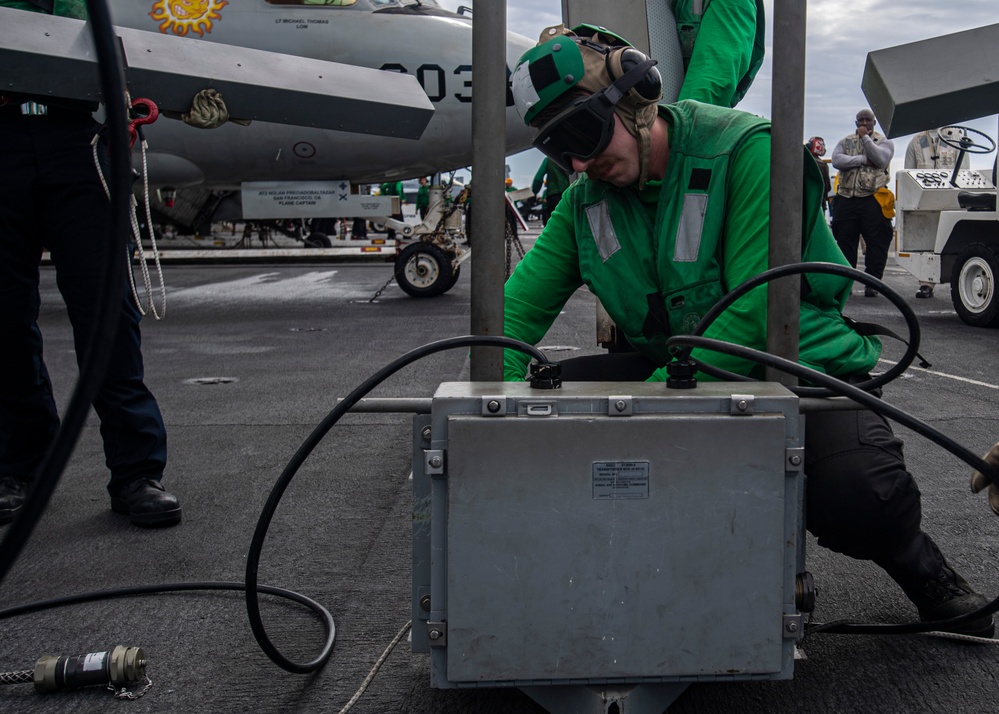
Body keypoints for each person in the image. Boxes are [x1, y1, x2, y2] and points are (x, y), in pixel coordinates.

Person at [505, 24, 993, 637]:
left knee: (860, 496)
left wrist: (643, 411)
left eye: (582, 134)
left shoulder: (747, 151)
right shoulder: (585, 200)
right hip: (676, 372)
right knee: (534, 415)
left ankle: (925, 571)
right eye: (558, 149)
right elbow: (512, 318)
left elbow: (758, 306)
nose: (578, 162)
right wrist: (480, 428)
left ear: (635, 99)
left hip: (789, 367)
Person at [0, 1, 182, 527]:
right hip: (3, 134)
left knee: (106, 314)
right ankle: (20, 466)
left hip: (76, 135)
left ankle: (135, 473)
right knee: (5, 317)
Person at [831, 108, 895, 297]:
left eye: (868, 120)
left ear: (874, 122)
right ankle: (845, 283)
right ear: (856, 123)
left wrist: (866, 139)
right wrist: (862, 160)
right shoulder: (845, 142)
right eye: (861, 121)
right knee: (845, 243)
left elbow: (880, 159)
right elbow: (836, 160)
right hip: (847, 199)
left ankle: (872, 282)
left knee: (877, 243)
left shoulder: (884, 142)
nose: (864, 124)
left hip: (873, 199)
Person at [904, 128, 968, 298]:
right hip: (924, 202)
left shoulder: (958, 139)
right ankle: (926, 283)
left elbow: (964, 171)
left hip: (950, 201)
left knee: (953, 243)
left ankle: (960, 282)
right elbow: (908, 171)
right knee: (927, 243)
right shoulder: (916, 141)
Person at [532, 158, 572, 227]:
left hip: (554, 197)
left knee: (555, 225)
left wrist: (534, 192)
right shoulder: (571, 157)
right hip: (571, 195)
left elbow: (538, 179)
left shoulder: (549, 159)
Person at [806, 136, 833, 217]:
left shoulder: (804, 161)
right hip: (820, 203)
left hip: (806, 202)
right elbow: (827, 187)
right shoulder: (823, 165)